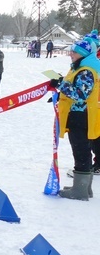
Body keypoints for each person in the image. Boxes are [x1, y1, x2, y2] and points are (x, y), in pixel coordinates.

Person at [49, 37, 100, 200]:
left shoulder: (86, 71)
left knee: (81, 151)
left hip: (81, 116)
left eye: (75, 52)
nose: (71, 54)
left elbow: (81, 94)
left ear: (83, 54)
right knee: (82, 150)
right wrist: (61, 86)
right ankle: (84, 188)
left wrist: (60, 84)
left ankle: (80, 191)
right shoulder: (81, 68)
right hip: (78, 115)